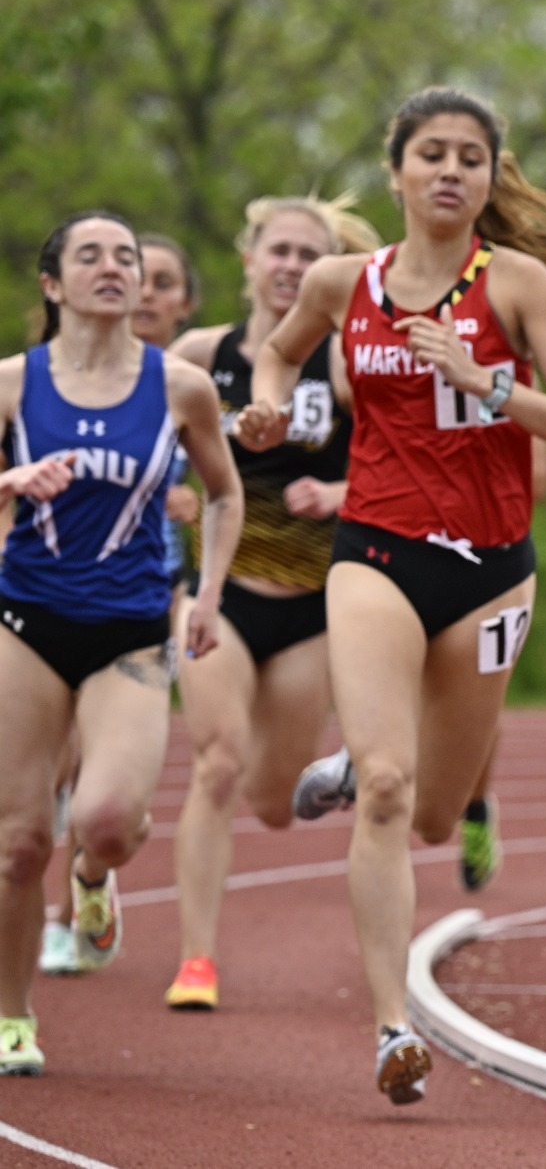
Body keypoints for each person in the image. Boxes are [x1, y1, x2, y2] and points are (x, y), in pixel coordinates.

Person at [236, 87, 546, 1104]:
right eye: (432, 154)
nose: (451, 171)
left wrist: (492, 384)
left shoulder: (518, 284)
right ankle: (391, 1029)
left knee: (439, 815)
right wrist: (269, 404)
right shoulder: (339, 279)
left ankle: (358, 761)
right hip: (377, 549)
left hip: (491, 572)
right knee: (394, 793)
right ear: (396, 170)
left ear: (490, 179)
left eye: (471, 158)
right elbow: (276, 346)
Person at [0, 212, 243, 1076]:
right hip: (25, 624)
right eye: (89, 256)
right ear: (53, 284)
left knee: (105, 819)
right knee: (20, 842)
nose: (113, 268)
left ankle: (95, 880)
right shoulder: (13, 386)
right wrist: (9, 480)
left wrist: (209, 592)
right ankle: (12, 1017)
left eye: (127, 258)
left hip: (133, 632)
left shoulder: (180, 388)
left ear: (144, 285)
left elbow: (221, 493)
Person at [162, 195, 381, 1012]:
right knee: (215, 765)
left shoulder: (350, 364)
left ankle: (295, 777)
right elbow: (131, 448)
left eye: (308, 254)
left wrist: (342, 487)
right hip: (218, 595)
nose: (291, 266)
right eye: (278, 250)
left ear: (326, 270)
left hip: (313, 605)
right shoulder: (197, 355)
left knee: (271, 797)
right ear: (249, 260)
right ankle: (195, 959)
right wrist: (170, 502)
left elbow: (406, 468)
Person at [38, 232, 205, 978]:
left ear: (178, 301)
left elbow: (236, 481)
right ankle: (52, 911)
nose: (147, 292)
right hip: (46, 600)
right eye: (146, 276)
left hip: (153, 596)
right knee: (50, 772)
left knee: (107, 787)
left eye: (160, 280)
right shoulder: (45, 379)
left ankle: (85, 885)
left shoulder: (185, 382)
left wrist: (193, 502)